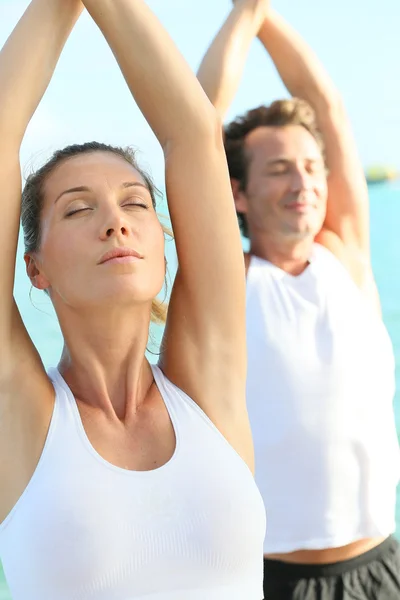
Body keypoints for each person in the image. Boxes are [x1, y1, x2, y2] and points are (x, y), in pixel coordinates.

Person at [0, 0, 266, 598]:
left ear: (163, 248)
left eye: (135, 202)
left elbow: (194, 134)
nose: (115, 222)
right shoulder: (18, 415)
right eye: (77, 207)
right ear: (34, 268)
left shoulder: (207, 389)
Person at [197, 1, 400, 599]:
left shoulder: (348, 256)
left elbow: (326, 102)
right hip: (273, 580)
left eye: (312, 167)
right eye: (281, 168)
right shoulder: (227, 283)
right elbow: (193, 129)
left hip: (382, 565)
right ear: (238, 193)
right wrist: (242, 16)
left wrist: (264, 11)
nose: (305, 183)